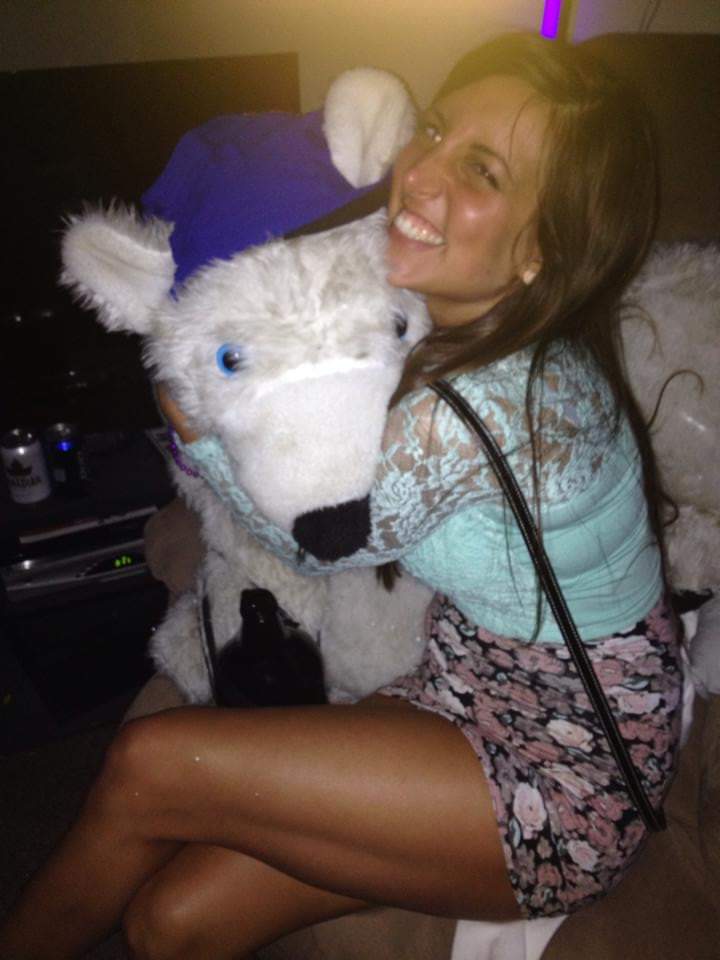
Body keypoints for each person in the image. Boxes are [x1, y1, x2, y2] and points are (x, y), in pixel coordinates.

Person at [0, 32, 682, 960]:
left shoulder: (489, 406)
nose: (421, 172)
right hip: (464, 690)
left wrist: (192, 425)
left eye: (481, 171)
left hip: (561, 783)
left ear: (542, 249)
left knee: (148, 762)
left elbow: (316, 538)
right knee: (173, 921)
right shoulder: (470, 325)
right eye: (434, 129)